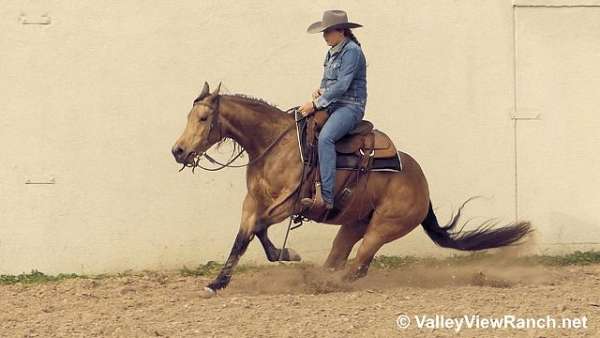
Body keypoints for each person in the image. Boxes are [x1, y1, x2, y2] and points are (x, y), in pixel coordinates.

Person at [298, 9, 368, 211]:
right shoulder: (332, 52)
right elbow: (328, 83)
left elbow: (342, 85)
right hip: (333, 104)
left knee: (326, 137)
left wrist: (316, 104)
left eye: (327, 32)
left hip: (351, 106)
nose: (324, 36)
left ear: (341, 31)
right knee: (305, 127)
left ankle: (327, 197)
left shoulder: (352, 51)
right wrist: (319, 92)